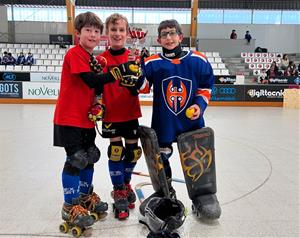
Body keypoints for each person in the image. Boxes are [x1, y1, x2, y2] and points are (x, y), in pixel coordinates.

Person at [138, 19, 221, 224]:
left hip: (191, 123)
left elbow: (206, 87)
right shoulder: (152, 62)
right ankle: (164, 193)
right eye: (164, 35)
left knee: (197, 158)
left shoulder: (198, 60)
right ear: (158, 39)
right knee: (160, 159)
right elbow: (142, 87)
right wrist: (136, 69)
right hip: (164, 123)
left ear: (180, 37)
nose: (168, 37)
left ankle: (203, 194)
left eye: (172, 33)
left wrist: (199, 106)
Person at [53, 12, 117, 231]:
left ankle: (84, 197)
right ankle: (69, 206)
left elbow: (96, 87)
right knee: (76, 160)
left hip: (86, 119)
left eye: (97, 31)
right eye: (88, 30)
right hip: (69, 118)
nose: (93, 34)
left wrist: (99, 102)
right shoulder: (75, 53)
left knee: (89, 157)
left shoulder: (92, 59)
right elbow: (90, 80)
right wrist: (115, 73)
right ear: (78, 33)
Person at [95, 13, 142, 220]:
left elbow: (142, 87)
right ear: (107, 33)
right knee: (116, 152)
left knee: (132, 153)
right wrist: (96, 105)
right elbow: (95, 87)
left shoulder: (134, 57)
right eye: (113, 30)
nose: (117, 33)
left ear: (127, 34)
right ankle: (119, 190)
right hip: (112, 113)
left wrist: (136, 76)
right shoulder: (101, 59)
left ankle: (126, 183)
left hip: (130, 111)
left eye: (121, 30)